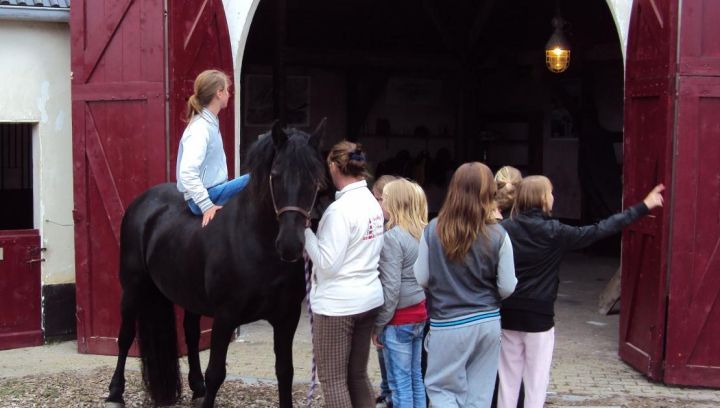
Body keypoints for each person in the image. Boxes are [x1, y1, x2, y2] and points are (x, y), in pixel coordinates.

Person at [497, 176, 665, 408]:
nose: (553, 196)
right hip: (540, 315)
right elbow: (600, 230)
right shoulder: (555, 231)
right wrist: (643, 207)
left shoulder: (503, 230)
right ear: (543, 198)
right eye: (551, 192)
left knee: (507, 380)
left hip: (508, 313)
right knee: (536, 381)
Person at [414, 162, 517, 408]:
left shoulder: (432, 230)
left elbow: (422, 278)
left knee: (442, 391)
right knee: (480, 395)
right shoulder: (500, 235)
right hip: (486, 321)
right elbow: (507, 286)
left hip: (447, 322)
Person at [304, 141, 385, 408]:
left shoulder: (338, 211)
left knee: (333, 379)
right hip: (369, 298)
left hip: (338, 305)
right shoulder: (373, 203)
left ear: (336, 167)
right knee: (358, 375)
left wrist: (306, 233)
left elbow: (327, 264)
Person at [372, 179, 429, 408]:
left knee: (399, 384)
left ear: (393, 204)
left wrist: (379, 324)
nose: (381, 203)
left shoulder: (392, 238)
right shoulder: (422, 234)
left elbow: (391, 288)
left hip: (398, 320)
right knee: (415, 377)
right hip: (419, 315)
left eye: (383, 199)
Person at [176, 69, 250, 227]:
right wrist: (206, 205)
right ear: (219, 93)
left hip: (214, 190)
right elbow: (187, 173)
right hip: (205, 197)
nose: (229, 94)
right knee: (255, 179)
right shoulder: (200, 128)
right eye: (227, 90)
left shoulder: (209, 123)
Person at [371, 174, 399, 408]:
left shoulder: (391, 234)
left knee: (389, 353)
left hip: (393, 308)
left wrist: (380, 320)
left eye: (378, 199)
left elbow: (392, 283)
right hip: (392, 305)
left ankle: (390, 394)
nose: (375, 204)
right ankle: (386, 389)